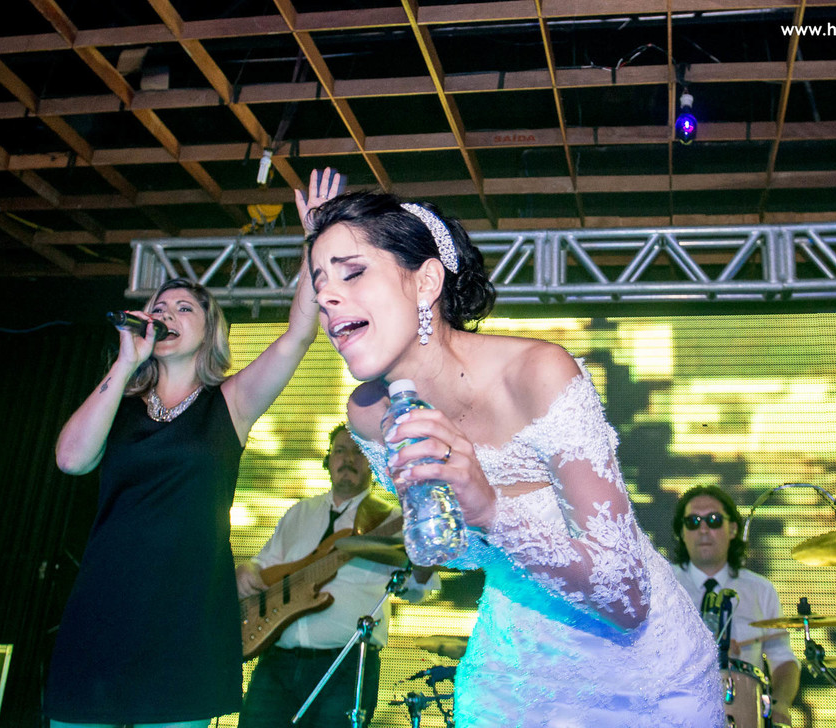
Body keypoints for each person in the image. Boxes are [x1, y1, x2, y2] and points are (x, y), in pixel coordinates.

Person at [304, 191, 723, 727]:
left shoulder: (538, 373)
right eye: (320, 283)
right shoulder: (369, 415)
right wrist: (446, 518)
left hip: (643, 679)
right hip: (513, 679)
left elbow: (625, 596)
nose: (327, 297)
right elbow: (459, 557)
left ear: (427, 282)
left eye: (353, 273)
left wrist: (491, 509)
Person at [43, 171, 337, 728]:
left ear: (209, 332)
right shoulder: (119, 406)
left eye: (185, 309)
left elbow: (299, 334)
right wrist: (125, 364)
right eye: (160, 308)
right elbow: (71, 460)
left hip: (186, 612)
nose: (167, 315)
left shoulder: (229, 403)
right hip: (105, 605)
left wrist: (315, 236)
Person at [235, 423, 438, 727]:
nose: (348, 459)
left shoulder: (393, 521)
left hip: (345, 667)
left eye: (359, 452)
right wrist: (246, 570)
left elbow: (419, 590)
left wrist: (425, 560)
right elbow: (263, 567)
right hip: (276, 663)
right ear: (328, 460)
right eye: (340, 451)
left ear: (374, 464)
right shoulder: (299, 513)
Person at [672, 485, 800, 727]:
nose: (703, 529)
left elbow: (783, 660)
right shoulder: (661, 587)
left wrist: (781, 704)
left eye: (714, 520)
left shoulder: (760, 590)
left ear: (732, 529)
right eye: (693, 522)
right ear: (681, 532)